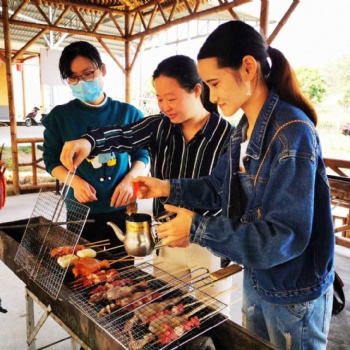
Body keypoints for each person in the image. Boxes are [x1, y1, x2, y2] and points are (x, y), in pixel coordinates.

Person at [125, 21, 334, 350]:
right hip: (256, 276)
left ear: (248, 68)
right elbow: (217, 186)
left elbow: (284, 236)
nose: (210, 95)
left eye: (214, 83)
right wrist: (164, 187)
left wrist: (197, 229)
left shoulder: (291, 132)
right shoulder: (243, 130)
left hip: (291, 290)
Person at [59, 55, 235, 304]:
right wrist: (88, 141)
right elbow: (123, 134)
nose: (165, 106)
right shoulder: (159, 127)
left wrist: (197, 228)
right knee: (165, 309)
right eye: (160, 99)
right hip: (166, 237)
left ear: (197, 91)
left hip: (209, 244)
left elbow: (228, 196)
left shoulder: (227, 137)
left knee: (212, 317)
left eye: (172, 99)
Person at [42, 41, 149, 252]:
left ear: (103, 70)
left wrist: (129, 181)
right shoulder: (60, 117)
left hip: (120, 204)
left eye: (88, 73)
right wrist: (75, 183)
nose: (81, 82)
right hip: (79, 209)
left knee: (122, 271)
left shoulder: (128, 113)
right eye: (73, 77)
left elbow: (142, 155)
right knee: (83, 269)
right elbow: (51, 160)